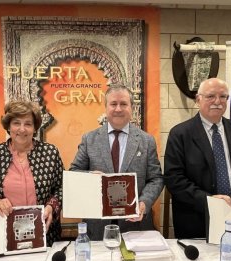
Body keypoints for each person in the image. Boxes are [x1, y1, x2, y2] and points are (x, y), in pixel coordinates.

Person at [164, 78, 231, 239]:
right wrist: (209, 201)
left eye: (223, 97)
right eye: (210, 96)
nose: (217, 101)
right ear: (198, 99)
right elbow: (174, 179)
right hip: (196, 220)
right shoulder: (180, 134)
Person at [69, 84, 163, 240]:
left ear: (132, 108)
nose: (118, 109)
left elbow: (156, 179)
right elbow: (74, 173)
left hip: (135, 226)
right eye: (113, 104)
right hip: (97, 226)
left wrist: (144, 203)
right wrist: (90, 176)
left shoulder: (146, 141)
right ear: (106, 107)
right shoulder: (90, 139)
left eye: (123, 104)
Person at [0, 101, 63, 245]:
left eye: (28, 124)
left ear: (35, 128)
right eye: (16, 123)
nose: (22, 129)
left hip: (45, 234)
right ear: (8, 126)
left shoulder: (50, 152)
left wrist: (51, 206)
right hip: (3, 234)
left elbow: (61, 187)